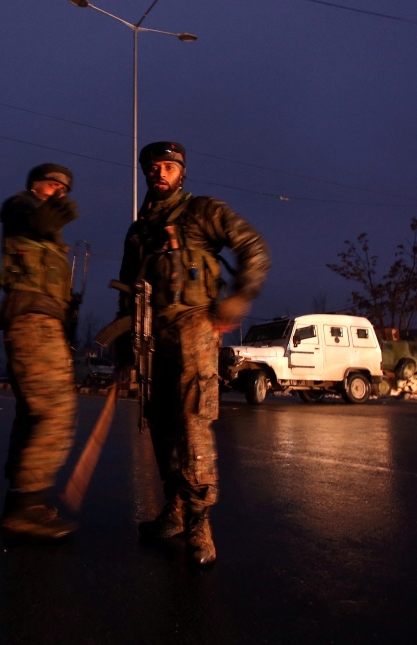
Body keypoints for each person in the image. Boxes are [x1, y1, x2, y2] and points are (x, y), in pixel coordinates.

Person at [118, 141, 271, 566]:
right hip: (151, 335)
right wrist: (124, 351)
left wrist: (238, 300)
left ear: (181, 172)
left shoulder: (202, 211)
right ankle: (176, 507)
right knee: (161, 422)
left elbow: (253, 248)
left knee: (192, 422)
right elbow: (127, 291)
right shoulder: (138, 231)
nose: (159, 173)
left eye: (168, 166)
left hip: (194, 328)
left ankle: (200, 522)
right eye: (152, 167)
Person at [0, 163, 80, 540]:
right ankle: (26, 508)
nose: (59, 192)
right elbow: (24, 217)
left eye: (65, 188)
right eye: (52, 185)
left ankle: (21, 498)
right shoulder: (21, 207)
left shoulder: (51, 238)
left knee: (33, 413)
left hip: (42, 321)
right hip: (30, 320)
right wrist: (41, 210)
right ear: (34, 185)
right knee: (55, 411)